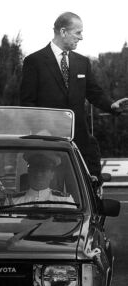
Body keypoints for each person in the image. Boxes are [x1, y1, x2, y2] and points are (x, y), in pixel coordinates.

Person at [20, 11, 128, 179]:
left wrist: (111, 105)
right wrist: (42, 132)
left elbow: (94, 92)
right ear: (63, 32)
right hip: (48, 145)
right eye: (78, 32)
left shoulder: (82, 62)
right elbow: (27, 103)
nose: (81, 37)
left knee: (83, 196)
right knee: (55, 197)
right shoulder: (34, 61)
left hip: (80, 144)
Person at [9, 152, 74, 206]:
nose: (38, 174)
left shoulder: (64, 201)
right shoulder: (13, 201)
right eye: (34, 169)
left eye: (43, 170)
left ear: (52, 174)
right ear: (28, 172)